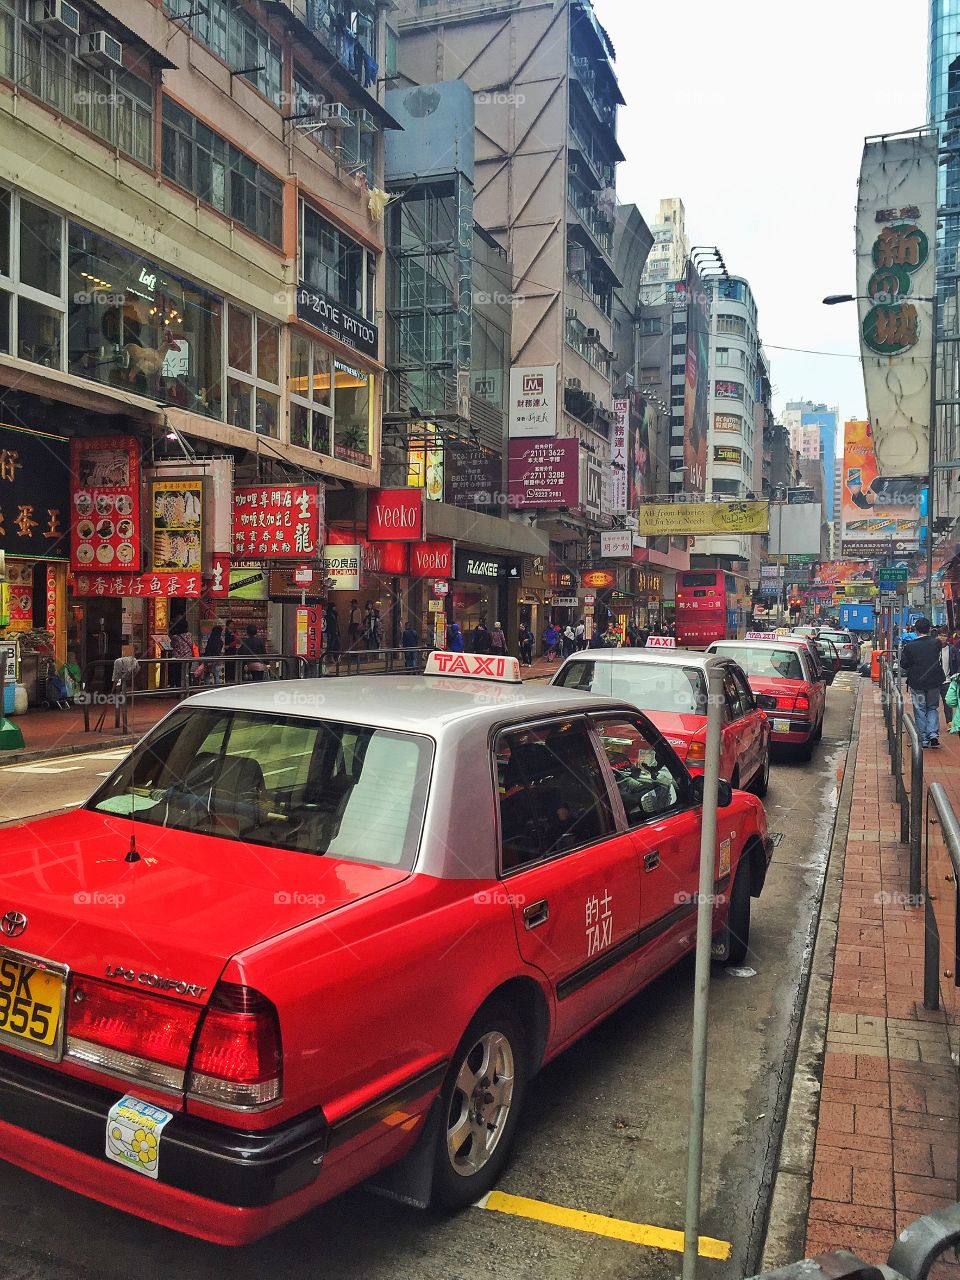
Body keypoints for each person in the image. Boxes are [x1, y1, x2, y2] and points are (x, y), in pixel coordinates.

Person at [900, 617, 944, 748]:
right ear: (930, 629)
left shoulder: (909, 646)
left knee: (920, 709)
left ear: (916, 630)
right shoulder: (936, 644)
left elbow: (904, 664)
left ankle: (923, 738)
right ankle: (933, 734)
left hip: (917, 681)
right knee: (932, 707)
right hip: (934, 681)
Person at [168, 614, 194, 689]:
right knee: (186, 674)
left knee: (178, 675)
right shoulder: (189, 635)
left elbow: (172, 644)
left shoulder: (175, 637)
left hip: (178, 658)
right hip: (189, 657)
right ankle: (187, 688)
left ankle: (180, 690)